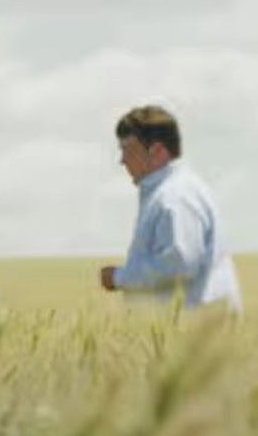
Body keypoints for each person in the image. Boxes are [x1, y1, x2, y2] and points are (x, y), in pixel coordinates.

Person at [99, 105, 243, 312]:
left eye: (128, 150)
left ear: (157, 151)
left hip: (197, 331)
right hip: (194, 328)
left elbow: (178, 265)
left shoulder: (175, 196)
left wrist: (119, 277)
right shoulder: (176, 189)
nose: (122, 161)